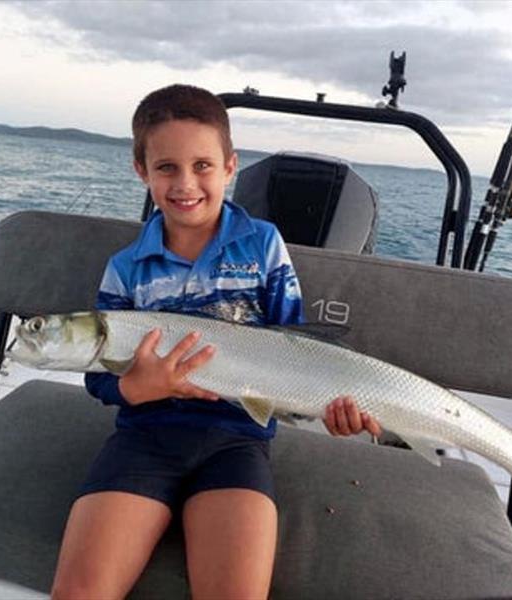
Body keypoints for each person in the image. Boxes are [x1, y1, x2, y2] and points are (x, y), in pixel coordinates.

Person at [51, 84, 381, 600]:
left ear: (230, 167)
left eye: (202, 165)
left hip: (236, 442)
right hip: (143, 440)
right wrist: (136, 388)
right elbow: (100, 378)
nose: (185, 183)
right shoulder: (124, 269)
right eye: (166, 168)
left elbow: (292, 348)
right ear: (142, 171)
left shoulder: (265, 244)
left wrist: (327, 408)